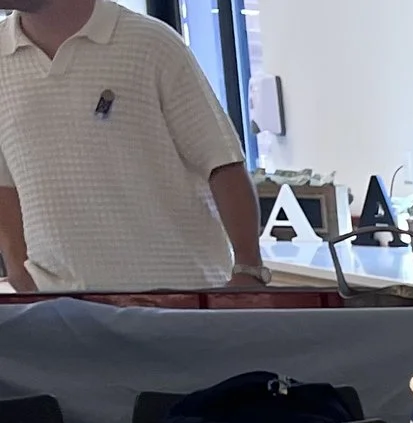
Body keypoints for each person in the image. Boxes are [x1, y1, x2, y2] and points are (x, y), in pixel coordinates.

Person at [0, 0, 268, 292]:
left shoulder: (151, 44)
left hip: (179, 296)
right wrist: (20, 273)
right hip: (58, 306)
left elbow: (222, 162)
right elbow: (5, 186)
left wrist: (249, 270)